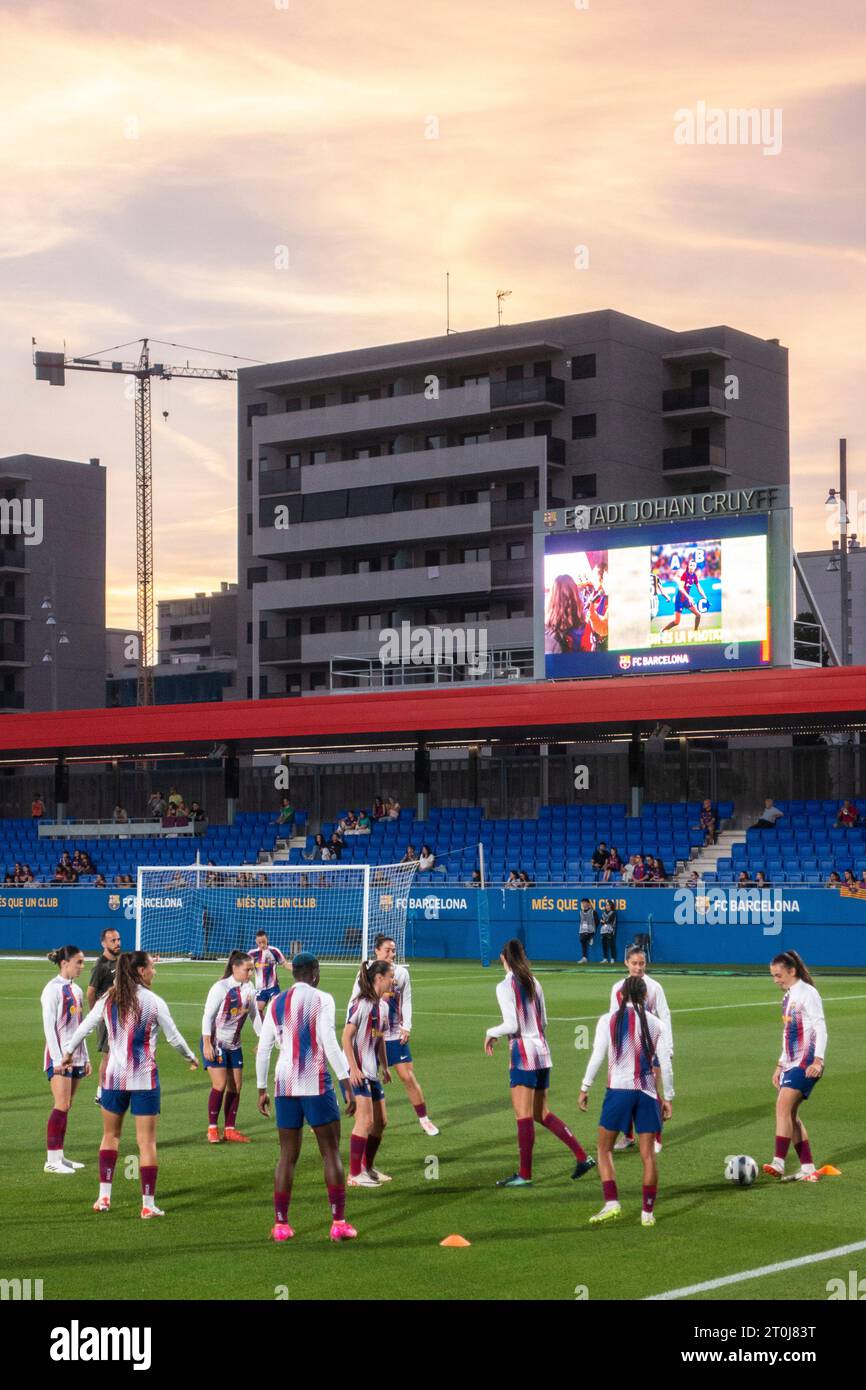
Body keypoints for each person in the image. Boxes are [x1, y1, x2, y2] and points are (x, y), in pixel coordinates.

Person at [62, 951, 198, 1217]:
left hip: (113, 1078)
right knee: (146, 1143)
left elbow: (85, 1028)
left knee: (110, 1137)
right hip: (144, 1079)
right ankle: (147, 1205)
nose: (154, 971)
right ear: (140, 971)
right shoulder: (153, 1002)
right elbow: (175, 1038)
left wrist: (68, 1052)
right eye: (151, 967)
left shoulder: (108, 999)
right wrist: (191, 1057)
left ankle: (103, 1198)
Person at [256, 952, 357, 1243]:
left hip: (283, 1083)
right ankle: (338, 1222)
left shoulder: (276, 1002)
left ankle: (281, 1225)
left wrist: (262, 1089)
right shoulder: (322, 999)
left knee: (287, 1155)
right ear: (313, 972)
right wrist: (345, 1080)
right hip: (314, 1080)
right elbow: (328, 1041)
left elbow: (263, 1049)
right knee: (330, 1152)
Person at [484, 938, 594, 1187]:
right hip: (543, 1052)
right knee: (540, 1113)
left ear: (504, 958)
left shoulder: (505, 985)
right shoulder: (534, 981)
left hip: (523, 1053)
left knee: (523, 1115)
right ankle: (582, 1156)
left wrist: (491, 1032)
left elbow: (512, 1025)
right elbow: (544, 1021)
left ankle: (525, 1174)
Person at [579, 975, 674, 1226]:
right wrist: (669, 1098)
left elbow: (597, 1057)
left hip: (618, 1091)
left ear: (620, 996)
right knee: (648, 1155)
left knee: (603, 1149)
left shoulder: (607, 1020)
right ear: (645, 996)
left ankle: (612, 1202)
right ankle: (647, 1213)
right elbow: (665, 1065)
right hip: (647, 1092)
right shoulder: (656, 1024)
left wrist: (585, 1087)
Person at [349, 934, 440, 1136]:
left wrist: (406, 1026)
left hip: (394, 1033)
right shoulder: (366, 973)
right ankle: (361, 1121)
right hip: (371, 1035)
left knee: (407, 1076)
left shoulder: (401, 974)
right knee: (363, 1078)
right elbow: (354, 1001)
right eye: (387, 950)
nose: (391, 953)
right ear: (377, 951)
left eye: (393, 950)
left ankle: (424, 1119)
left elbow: (406, 1000)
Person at [762, 951, 826, 1182]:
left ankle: (779, 1161)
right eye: (773, 976)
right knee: (791, 1114)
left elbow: (820, 1027)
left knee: (782, 1106)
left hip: (807, 1062)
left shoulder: (808, 993)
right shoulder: (788, 997)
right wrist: (780, 1064)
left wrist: (818, 1060)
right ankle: (808, 1167)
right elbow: (788, 1035)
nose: (775, 980)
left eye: (778, 975)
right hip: (791, 1063)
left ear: (792, 971)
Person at [609, 947, 672, 1154]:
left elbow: (665, 1017)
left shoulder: (654, 987)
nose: (638, 967)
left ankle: (656, 1136)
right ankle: (628, 1135)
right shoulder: (618, 988)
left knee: (651, 1092)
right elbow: (613, 1018)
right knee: (625, 1091)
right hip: (626, 1051)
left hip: (651, 1050)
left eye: (641, 963)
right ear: (626, 963)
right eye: (634, 963)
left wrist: (668, 1048)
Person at [201, 951, 262, 1144]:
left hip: (234, 1044)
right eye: (247, 970)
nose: (250, 973)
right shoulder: (221, 988)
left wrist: (262, 1038)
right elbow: (207, 1016)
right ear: (235, 968)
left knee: (236, 1086)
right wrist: (206, 1043)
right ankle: (212, 1128)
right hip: (216, 1042)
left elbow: (254, 1015)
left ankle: (230, 1129)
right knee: (219, 1085)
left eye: (252, 970)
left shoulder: (250, 988)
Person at [343, 960, 393, 1187]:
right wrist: (353, 1069)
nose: (393, 980)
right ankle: (354, 1174)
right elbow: (346, 1037)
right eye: (390, 976)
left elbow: (379, 1038)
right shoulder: (361, 1004)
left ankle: (368, 1168)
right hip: (359, 1072)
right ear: (379, 978)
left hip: (372, 1072)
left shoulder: (383, 1007)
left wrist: (385, 1066)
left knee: (381, 1121)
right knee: (365, 1121)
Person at [41, 945, 91, 1174]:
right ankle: (51, 1160)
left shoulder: (77, 990)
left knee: (67, 1105)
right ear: (65, 963)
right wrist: (59, 1058)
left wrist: (86, 1057)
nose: (82, 966)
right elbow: (49, 1027)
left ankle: (60, 1156)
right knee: (60, 1104)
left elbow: (80, 1027)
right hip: (59, 1056)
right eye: (79, 962)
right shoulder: (52, 990)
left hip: (76, 1055)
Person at [662, 554, 707, 634]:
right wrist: (689, 597)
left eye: (693, 565)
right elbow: (680, 588)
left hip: (686, 599)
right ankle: (663, 630)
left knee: (698, 615)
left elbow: (699, 587)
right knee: (676, 622)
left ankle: (696, 631)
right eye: (690, 565)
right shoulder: (684, 575)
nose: (692, 566)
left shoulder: (694, 576)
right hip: (679, 600)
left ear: (695, 567)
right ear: (688, 566)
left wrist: (705, 597)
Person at [248, 929, 289, 1018]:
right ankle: (263, 1030)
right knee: (257, 1011)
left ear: (267, 940)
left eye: (264, 942)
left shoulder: (274, 951)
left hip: (273, 987)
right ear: (256, 942)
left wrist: (297, 970)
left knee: (275, 1008)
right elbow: (246, 967)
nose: (262, 944)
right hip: (260, 988)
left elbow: (285, 964)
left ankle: (276, 1028)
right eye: (259, 943)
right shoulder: (252, 953)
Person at [578, 897, 598, 963]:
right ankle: (584, 957)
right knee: (582, 941)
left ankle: (590, 937)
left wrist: (594, 930)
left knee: (583, 940)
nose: (583, 904)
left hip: (590, 931)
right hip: (583, 930)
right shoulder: (581, 912)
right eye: (582, 903)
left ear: (588, 904)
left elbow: (596, 921)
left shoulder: (593, 911)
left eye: (585, 902)